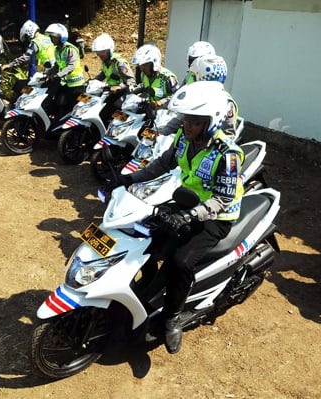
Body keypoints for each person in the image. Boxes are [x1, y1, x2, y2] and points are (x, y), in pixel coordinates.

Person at [111, 81, 244, 354]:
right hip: (185, 202)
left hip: (216, 217)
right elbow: (163, 164)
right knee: (145, 233)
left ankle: (172, 316)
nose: (187, 126)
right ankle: (145, 289)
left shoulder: (227, 155)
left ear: (211, 122)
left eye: (194, 122)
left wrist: (189, 216)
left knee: (180, 260)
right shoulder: (184, 139)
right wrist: (128, 179)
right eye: (186, 120)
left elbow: (222, 199)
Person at [161, 55, 240, 139]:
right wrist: (163, 132)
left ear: (204, 77)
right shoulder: (197, 97)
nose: (193, 79)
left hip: (207, 149)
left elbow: (229, 135)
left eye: (195, 76)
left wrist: (210, 147)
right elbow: (181, 117)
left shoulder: (225, 102)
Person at [1, 20, 56, 103]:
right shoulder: (47, 38)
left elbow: (25, 57)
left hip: (47, 75)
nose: (28, 39)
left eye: (27, 36)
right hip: (54, 72)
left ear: (30, 33)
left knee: (19, 85)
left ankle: (19, 106)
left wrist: (10, 65)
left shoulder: (35, 42)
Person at [91, 33, 136, 124]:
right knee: (100, 110)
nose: (100, 55)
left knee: (115, 115)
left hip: (123, 93)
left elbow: (131, 80)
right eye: (98, 52)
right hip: (110, 92)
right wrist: (92, 81)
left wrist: (119, 87)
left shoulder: (120, 62)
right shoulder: (105, 62)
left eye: (102, 52)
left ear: (109, 51)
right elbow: (103, 74)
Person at [44, 23, 86, 121]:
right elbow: (57, 65)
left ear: (61, 37)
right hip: (65, 83)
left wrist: (57, 75)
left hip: (76, 85)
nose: (52, 39)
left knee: (75, 109)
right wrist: (47, 74)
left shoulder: (70, 49)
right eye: (52, 37)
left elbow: (71, 66)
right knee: (58, 104)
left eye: (54, 37)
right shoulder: (57, 50)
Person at [131, 44, 179, 110]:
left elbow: (177, 96)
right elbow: (144, 85)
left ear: (154, 63)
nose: (142, 69)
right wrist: (132, 92)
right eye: (140, 65)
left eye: (145, 65)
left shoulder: (168, 78)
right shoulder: (144, 75)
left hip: (165, 112)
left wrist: (161, 102)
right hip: (150, 109)